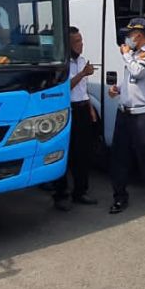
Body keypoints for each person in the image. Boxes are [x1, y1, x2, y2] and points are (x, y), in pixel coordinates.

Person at [108, 18, 145, 212]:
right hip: (124, 114)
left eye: (130, 34)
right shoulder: (133, 54)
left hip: (144, 115)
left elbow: (140, 72)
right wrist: (118, 89)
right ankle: (119, 197)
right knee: (119, 158)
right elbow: (133, 81)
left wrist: (126, 55)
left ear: (139, 35)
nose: (127, 39)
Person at [54, 26, 99, 211]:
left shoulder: (82, 61)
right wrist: (82, 74)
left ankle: (80, 191)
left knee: (83, 153)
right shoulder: (62, 64)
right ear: (68, 44)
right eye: (77, 42)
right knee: (65, 153)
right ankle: (60, 194)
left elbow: (83, 89)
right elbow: (66, 88)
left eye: (81, 40)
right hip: (67, 110)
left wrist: (90, 108)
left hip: (82, 109)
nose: (81, 45)